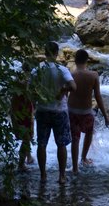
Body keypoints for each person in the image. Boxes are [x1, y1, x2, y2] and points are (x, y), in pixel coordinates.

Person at [29, 41, 76, 184]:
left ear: (44, 52)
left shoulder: (37, 70)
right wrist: (62, 90)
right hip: (59, 111)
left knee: (41, 144)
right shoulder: (62, 69)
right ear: (56, 53)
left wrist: (35, 101)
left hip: (42, 110)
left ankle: (43, 176)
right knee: (61, 144)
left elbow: (30, 90)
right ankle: (61, 176)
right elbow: (73, 87)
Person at [67, 49, 109, 173]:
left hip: (72, 110)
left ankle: (75, 167)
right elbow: (98, 96)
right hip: (86, 111)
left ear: (75, 60)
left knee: (75, 139)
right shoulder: (94, 75)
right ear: (87, 61)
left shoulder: (70, 75)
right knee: (89, 133)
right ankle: (84, 158)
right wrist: (105, 115)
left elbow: (65, 94)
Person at [10, 78, 35, 170]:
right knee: (26, 139)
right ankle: (21, 164)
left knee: (28, 137)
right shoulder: (17, 94)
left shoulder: (26, 93)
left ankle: (28, 157)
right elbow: (13, 110)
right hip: (20, 116)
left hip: (26, 115)